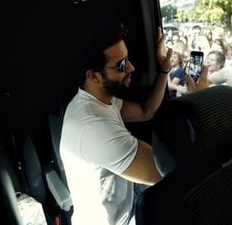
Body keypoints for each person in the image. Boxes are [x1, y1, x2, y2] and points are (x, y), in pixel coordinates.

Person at [59, 23, 172, 225]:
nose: (131, 68)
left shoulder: (100, 99)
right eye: (121, 65)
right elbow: (163, 172)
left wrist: (164, 71)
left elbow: (146, 111)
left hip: (125, 208)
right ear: (93, 75)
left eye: (127, 59)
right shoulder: (94, 125)